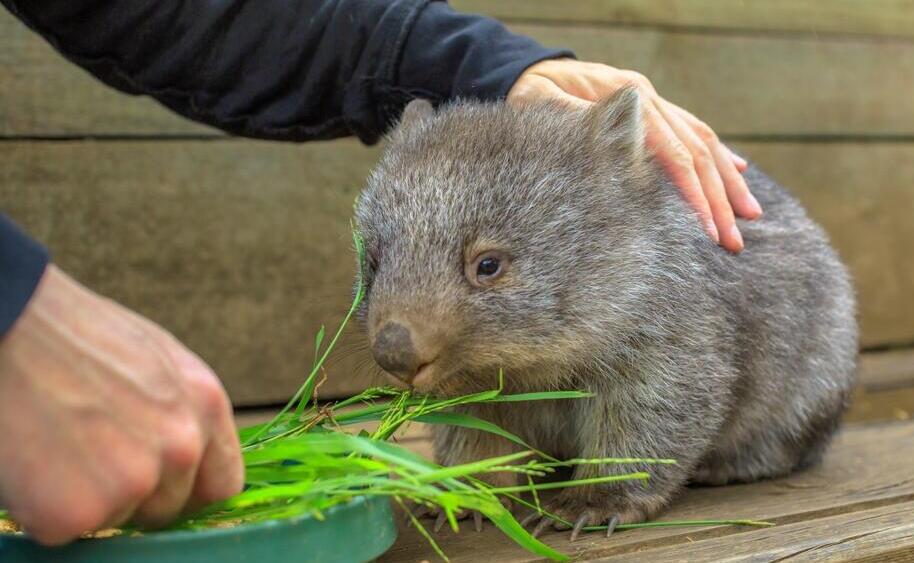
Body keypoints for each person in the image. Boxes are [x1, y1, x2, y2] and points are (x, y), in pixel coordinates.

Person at [0, 0, 761, 545]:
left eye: (487, 267)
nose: (390, 330)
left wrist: (493, 66)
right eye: (382, 265)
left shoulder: (631, 260)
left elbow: (200, 17)